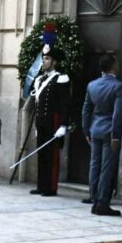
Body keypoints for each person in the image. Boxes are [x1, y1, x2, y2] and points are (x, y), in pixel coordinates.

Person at [82, 53, 122, 216]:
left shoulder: (92, 85)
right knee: (106, 168)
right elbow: (117, 114)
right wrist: (116, 135)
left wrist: (86, 130)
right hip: (109, 131)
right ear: (113, 66)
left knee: (95, 165)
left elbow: (86, 109)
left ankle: (94, 198)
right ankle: (102, 203)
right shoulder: (118, 86)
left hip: (95, 129)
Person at [30, 23, 70, 197]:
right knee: (42, 154)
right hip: (41, 121)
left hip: (53, 121)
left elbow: (65, 103)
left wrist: (63, 125)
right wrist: (36, 125)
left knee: (52, 156)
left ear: (54, 62)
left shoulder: (61, 78)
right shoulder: (39, 80)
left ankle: (51, 187)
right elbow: (37, 103)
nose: (44, 61)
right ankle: (41, 185)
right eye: (43, 58)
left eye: (47, 59)